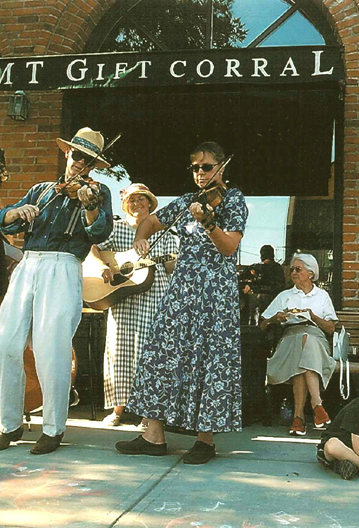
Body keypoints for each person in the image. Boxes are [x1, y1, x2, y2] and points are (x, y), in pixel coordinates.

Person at [115, 141, 247, 465]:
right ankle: (153, 436)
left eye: (206, 166)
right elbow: (150, 223)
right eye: (195, 168)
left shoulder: (233, 200)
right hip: (182, 288)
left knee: (208, 358)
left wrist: (209, 223)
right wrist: (140, 239)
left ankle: (205, 440)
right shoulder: (187, 200)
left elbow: (229, 247)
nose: (200, 173)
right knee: (161, 352)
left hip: (215, 291)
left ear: (221, 167)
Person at [0, 127, 113, 455]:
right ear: (67, 154)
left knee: (51, 348)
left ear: (93, 164)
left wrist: (89, 206)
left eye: (86, 158)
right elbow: (3, 222)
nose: (78, 161)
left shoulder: (98, 191)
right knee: (5, 344)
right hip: (29, 264)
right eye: (75, 154)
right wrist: (15, 213)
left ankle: (53, 429)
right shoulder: (41, 189)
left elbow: (100, 231)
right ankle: (9, 425)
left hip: (64, 265)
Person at [87, 183, 177, 426]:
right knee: (119, 353)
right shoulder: (116, 229)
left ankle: (148, 417)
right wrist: (103, 267)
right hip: (123, 298)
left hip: (154, 297)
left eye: (141, 199)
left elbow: (171, 268)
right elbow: (93, 249)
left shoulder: (164, 233)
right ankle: (118, 410)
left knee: (149, 356)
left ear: (149, 203)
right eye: (131, 200)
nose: (136, 204)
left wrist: (179, 261)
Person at [259, 253, 338, 436]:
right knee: (301, 343)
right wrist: (275, 318)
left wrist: (312, 316)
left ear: (311, 273)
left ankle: (299, 417)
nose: (293, 272)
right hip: (289, 339)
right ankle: (316, 404)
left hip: (316, 340)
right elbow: (262, 324)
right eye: (292, 269)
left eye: (298, 269)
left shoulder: (322, 296)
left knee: (305, 343)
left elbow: (331, 329)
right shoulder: (284, 296)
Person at [240, 245, 286, 325]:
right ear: (273, 255)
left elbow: (242, 276)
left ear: (261, 255)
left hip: (255, 299)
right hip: (273, 299)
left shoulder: (255, 267)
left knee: (252, 322)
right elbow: (281, 285)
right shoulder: (278, 268)